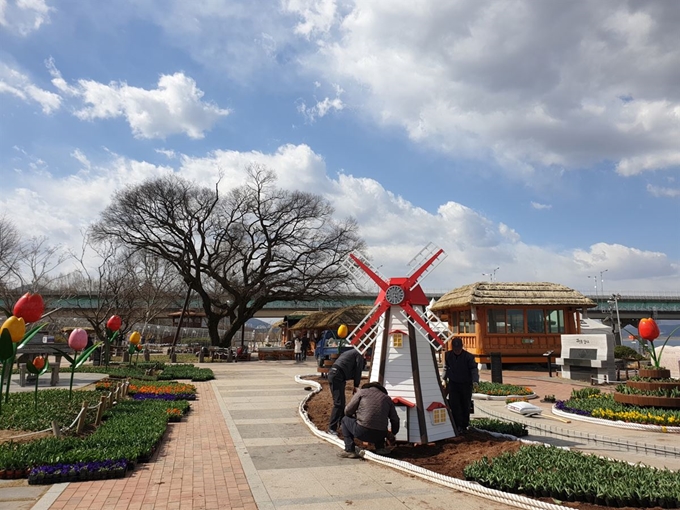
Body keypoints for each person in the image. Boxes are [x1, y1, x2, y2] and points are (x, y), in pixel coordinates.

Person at [338, 381, 400, 458]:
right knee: (378, 422)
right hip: (380, 435)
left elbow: (348, 411)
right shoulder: (387, 398)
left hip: (362, 432)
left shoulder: (362, 393)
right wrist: (393, 433)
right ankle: (380, 448)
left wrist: (354, 416)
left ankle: (350, 450)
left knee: (345, 419)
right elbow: (395, 419)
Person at [443, 337, 479, 434]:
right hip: (453, 384)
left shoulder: (469, 357)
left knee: (465, 405)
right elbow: (446, 367)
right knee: (454, 405)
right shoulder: (448, 355)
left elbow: (473, 370)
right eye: (455, 349)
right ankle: (456, 425)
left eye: (459, 349)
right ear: (452, 348)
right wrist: (443, 379)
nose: (457, 351)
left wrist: (475, 381)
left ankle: (464, 425)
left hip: (465, 384)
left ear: (462, 347)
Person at [328, 348, 365, 435]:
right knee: (339, 403)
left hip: (336, 375)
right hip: (337, 376)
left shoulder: (350, 352)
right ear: (363, 349)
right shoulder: (358, 354)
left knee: (342, 403)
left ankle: (342, 424)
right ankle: (331, 428)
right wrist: (356, 385)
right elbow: (358, 370)